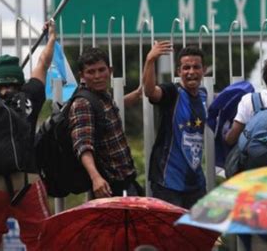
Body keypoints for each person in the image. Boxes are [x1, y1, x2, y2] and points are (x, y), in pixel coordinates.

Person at [0, 21, 56, 251]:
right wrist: (51, 38)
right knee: (39, 239)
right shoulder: (29, 95)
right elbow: (42, 62)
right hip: (27, 183)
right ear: (18, 83)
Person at [69, 47, 143, 198]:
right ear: (82, 75)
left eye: (101, 70)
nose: (97, 76)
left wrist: (137, 94)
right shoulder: (83, 103)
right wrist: (96, 178)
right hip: (108, 186)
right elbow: (83, 145)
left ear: (110, 70)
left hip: (125, 181)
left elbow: (112, 108)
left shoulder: (102, 95)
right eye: (91, 72)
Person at [143, 41, 207, 209]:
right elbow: (150, 92)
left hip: (195, 182)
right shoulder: (173, 92)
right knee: (169, 234)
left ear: (204, 70)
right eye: (186, 68)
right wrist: (150, 61)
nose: (191, 72)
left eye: (196, 67)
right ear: (179, 71)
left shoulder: (204, 96)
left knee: (198, 233)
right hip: (168, 181)